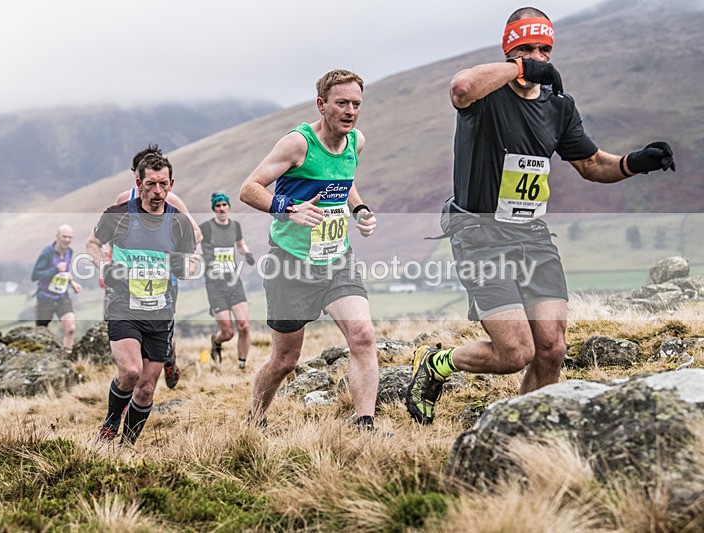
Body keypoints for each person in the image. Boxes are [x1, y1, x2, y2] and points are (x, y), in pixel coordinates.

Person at [404, 6, 676, 425]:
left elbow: (591, 164)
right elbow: (461, 86)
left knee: (551, 348)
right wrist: (519, 68)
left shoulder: (558, 107)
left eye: (543, 49)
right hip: (478, 233)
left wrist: (635, 162)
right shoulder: (485, 95)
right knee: (515, 352)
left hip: (530, 234)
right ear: (510, 50)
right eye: (526, 48)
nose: (537, 57)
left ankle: (520, 431)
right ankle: (437, 363)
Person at [240, 69, 380, 429]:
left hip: (337, 259)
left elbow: (343, 182)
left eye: (356, 104)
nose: (350, 111)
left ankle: (364, 425)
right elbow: (250, 188)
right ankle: (255, 417)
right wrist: (289, 208)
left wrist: (359, 209)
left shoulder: (355, 142)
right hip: (291, 263)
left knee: (363, 336)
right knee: (285, 361)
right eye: (341, 103)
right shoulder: (298, 144)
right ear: (322, 105)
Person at [86, 151, 197, 445]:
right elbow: (93, 243)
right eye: (151, 184)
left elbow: (192, 262)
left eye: (163, 184)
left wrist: (184, 267)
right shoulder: (118, 214)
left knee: (147, 389)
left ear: (171, 183)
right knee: (131, 371)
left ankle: (127, 446)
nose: (158, 191)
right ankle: (111, 423)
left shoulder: (179, 223)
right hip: (123, 305)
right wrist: (104, 266)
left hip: (160, 311)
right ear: (138, 182)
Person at [104, 144, 203, 389]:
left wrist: (179, 259)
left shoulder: (171, 200)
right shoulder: (123, 200)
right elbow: (112, 238)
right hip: (129, 281)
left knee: (162, 327)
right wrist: (109, 263)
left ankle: (167, 357)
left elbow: (195, 233)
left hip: (164, 280)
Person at [199, 191, 255, 369]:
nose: (222, 209)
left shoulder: (235, 226)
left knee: (244, 326)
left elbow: (240, 244)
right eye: (218, 205)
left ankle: (241, 366)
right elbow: (196, 248)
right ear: (214, 208)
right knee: (228, 332)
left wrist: (247, 254)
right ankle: (216, 342)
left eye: (224, 205)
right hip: (215, 285)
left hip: (233, 282)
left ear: (228, 207)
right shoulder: (206, 228)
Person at [31, 224, 82, 349]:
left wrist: (73, 282)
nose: (67, 240)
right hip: (45, 298)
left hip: (62, 296)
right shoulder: (47, 252)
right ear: (57, 237)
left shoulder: (69, 252)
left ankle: (67, 357)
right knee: (41, 334)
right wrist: (54, 270)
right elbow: (35, 275)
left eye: (70, 237)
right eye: (64, 236)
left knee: (70, 329)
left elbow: (65, 272)